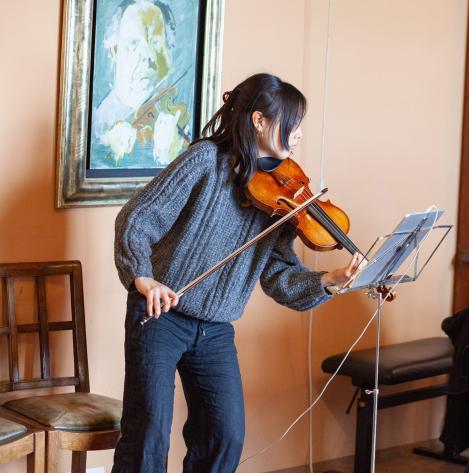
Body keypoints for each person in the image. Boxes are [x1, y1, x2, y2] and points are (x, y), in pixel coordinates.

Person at [111, 73, 362, 473]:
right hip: (161, 315)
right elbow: (137, 218)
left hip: (215, 330)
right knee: (149, 434)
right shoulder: (204, 162)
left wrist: (329, 281)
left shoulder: (285, 193)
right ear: (259, 120)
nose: (297, 136)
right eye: (291, 124)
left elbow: (279, 275)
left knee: (225, 436)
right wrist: (143, 277)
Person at [94, 0, 189, 166]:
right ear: (114, 51)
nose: (148, 55)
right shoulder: (99, 125)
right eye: (133, 43)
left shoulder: (178, 116)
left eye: (155, 43)